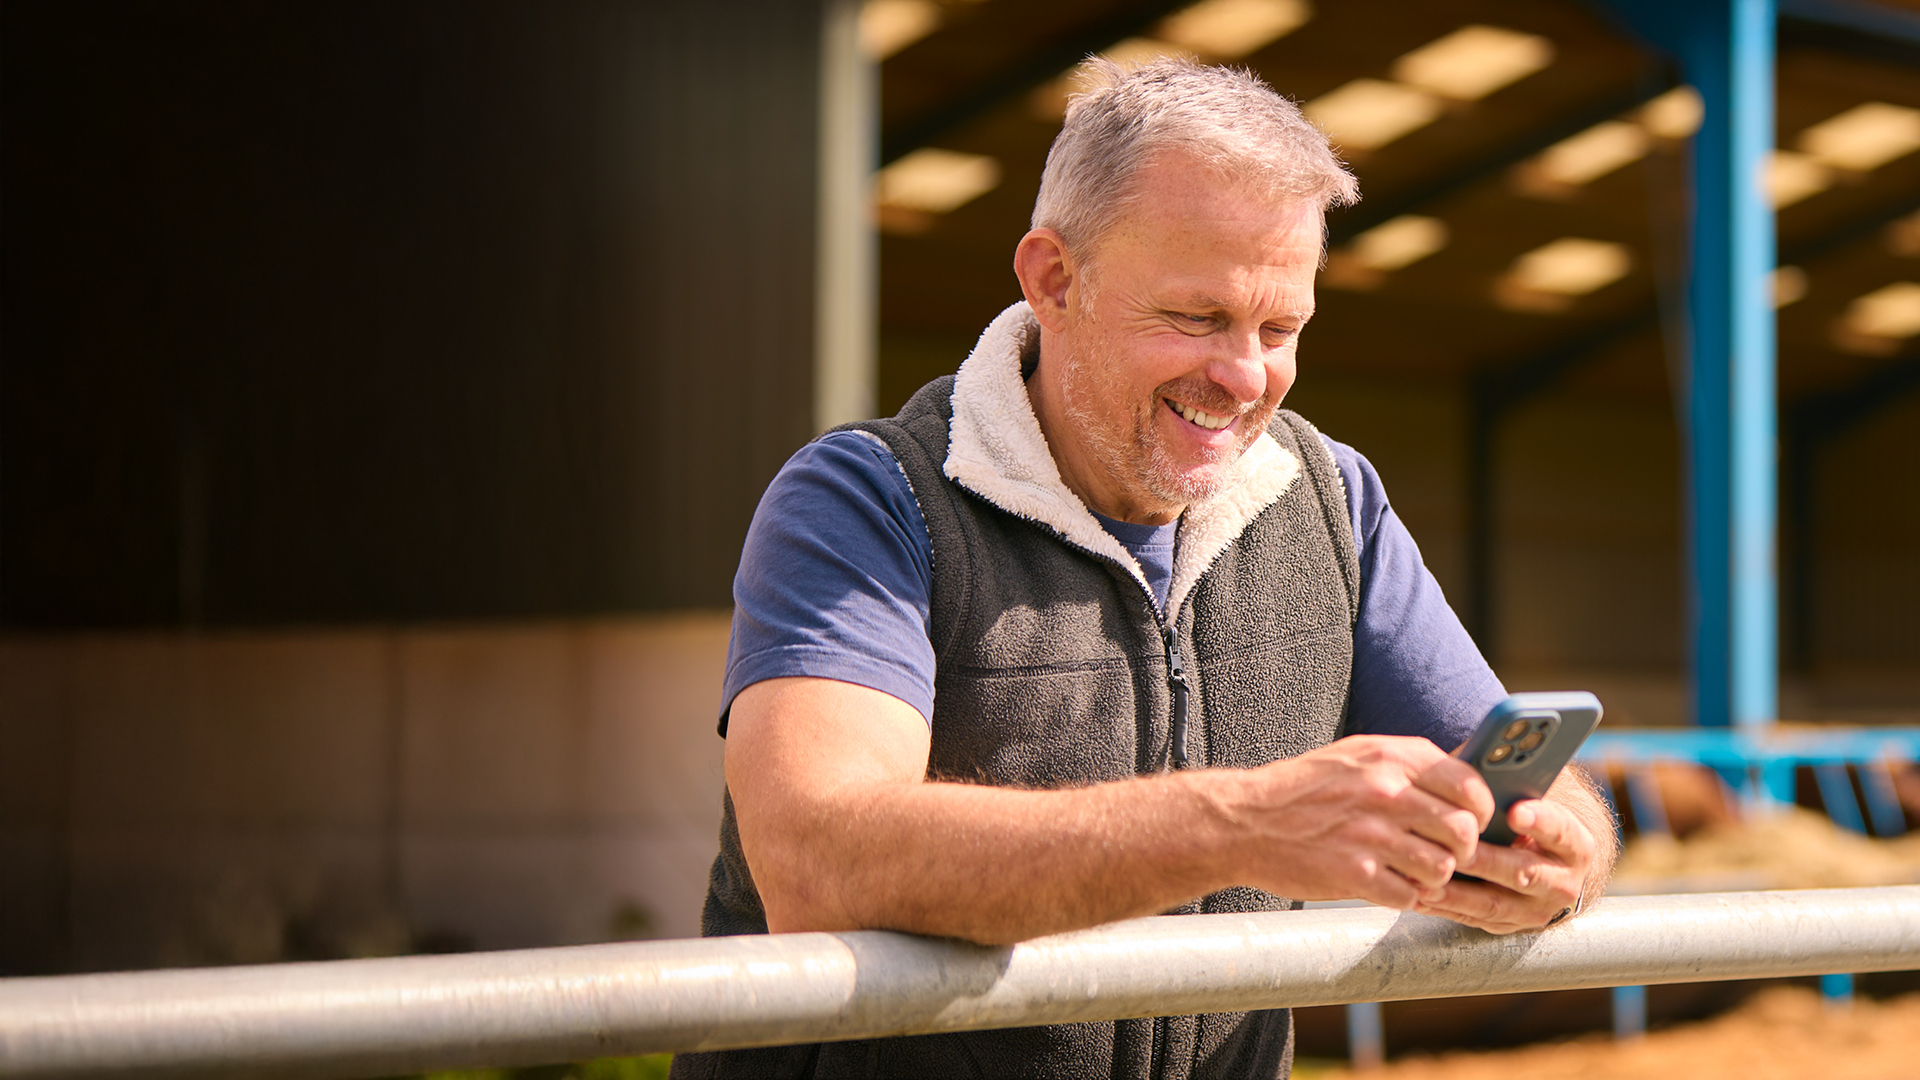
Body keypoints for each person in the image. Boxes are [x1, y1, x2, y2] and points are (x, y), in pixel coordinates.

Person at [670, 59, 1617, 1080]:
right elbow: (818, 860)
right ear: (1052, 279)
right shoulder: (868, 502)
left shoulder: (1331, 500)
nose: (1245, 375)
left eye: (1281, 328)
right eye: (1197, 317)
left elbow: (1546, 783)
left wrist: (1562, 850)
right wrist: (1243, 826)